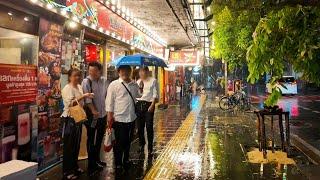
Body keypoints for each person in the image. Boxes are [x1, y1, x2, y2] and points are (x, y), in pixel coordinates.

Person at [105, 65, 140, 171]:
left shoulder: (134, 85)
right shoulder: (114, 84)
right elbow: (109, 102)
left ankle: (126, 159)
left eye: (127, 70)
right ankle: (118, 162)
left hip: (131, 117)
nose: (125, 73)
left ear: (130, 71)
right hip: (118, 118)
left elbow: (137, 96)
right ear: (119, 72)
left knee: (129, 141)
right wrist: (109, 117)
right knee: (119, 142)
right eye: (122, 71)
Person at [61, 68, 94, 180]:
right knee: (69, 146)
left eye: (79, 75)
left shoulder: (79, 87)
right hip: (70, 119)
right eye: (75, 76)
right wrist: (84, 96)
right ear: (69, 77)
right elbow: (70, 103)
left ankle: (74, 167)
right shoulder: (67, 88)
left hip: (79, 118)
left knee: (76, 145)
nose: (77, 78)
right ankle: (67, 171)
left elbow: (81, 103)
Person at [82, 62, 109, 175]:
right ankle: (91, 165)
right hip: (93, 117)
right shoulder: (86, 81)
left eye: (94, 71)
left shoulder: (104, 81)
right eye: (90, 71)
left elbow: (107, 96)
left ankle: (97, 160)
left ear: (100, 71)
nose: (92, 73)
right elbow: (87, 100)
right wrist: (93, 111)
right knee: (91, 139)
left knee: (99, 139)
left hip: (103, 115)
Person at [136, 67, 158, 155]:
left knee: (149, 126)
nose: (141, 73)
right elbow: (136, 95)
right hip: (138, 105)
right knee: (140, 127)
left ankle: (150, 147)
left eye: (143, 71)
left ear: (147, 72)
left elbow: (155, 94)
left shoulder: (153, 81)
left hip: (148, 105)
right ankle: (141, 144)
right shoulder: (137, 82)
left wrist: (152, 105)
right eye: (140, 71)